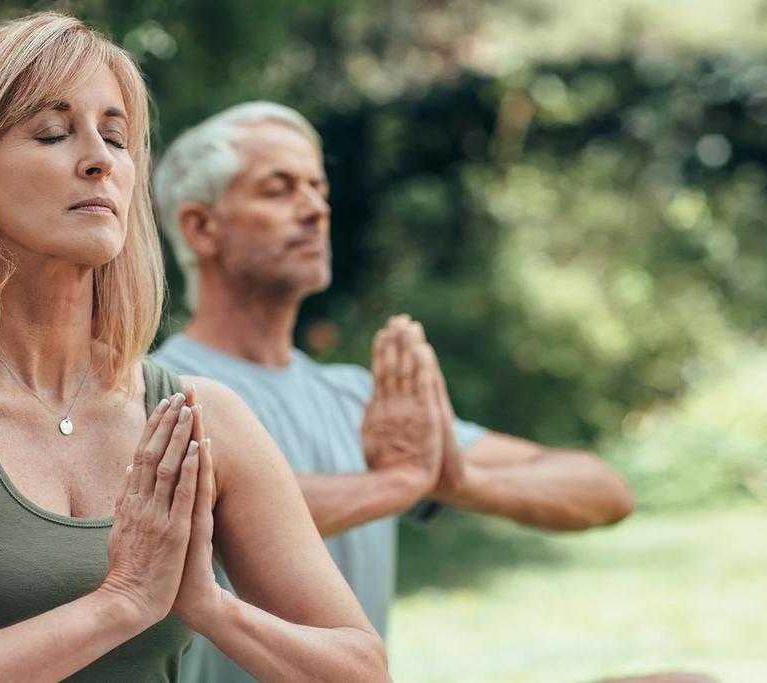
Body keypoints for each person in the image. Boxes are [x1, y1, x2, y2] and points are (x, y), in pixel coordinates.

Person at [0, 18, 389, 682]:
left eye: (115, 136)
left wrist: (208, 605)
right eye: (52, 133)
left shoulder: (200, 417)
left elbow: (360, 666)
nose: (99, 159)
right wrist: (121, 602)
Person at [151, 101, 637, 681]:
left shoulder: (362, 400)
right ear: (201, 228)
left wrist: (457, 481)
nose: (314, 208)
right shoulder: (158, 392)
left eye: (317, 187)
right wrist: (394, 483)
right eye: (279, 189)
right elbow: (219, 511)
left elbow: (605, 490)